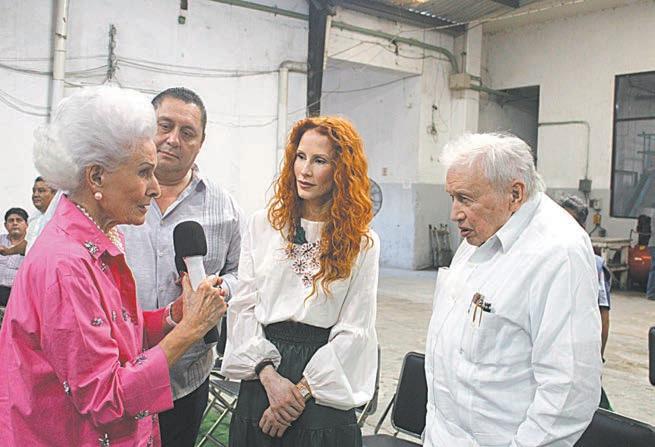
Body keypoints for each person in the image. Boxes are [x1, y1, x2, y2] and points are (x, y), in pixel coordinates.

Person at [0, 86, 227, 447]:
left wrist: (174, 316)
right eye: (144, 172)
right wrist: (190, 330)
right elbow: (107, 399)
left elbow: (117, 332)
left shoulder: (100, 237)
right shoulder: (66, 265)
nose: (155, 188)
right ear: (96, 177)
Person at [425, 133, 602, 446]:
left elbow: (569, 391)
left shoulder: (558, 253)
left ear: (515, 194)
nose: (454, 213)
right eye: (452, 197)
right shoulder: (479, 235)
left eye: (465, 198)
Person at [221, 116, 380, 446]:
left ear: (341, 171)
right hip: (263, 369)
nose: (304, 171)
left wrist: (300, 392)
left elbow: (355, 328)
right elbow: (244, 307)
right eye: (300, 157)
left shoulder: (362, 243)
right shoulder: (263, 225)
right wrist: (269, 378)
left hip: (324, 382)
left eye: (319, 161)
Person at [122, 87, 242, 447]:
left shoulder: (224, 207)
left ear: (201, 143)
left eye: (187, 132)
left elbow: (243, 274)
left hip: (185, 380)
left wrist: (220, 290)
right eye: (165, 126)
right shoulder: (114, 194)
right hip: (117, 375)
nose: (173, 139)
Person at [559, 194, 613, 410]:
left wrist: (597, 357)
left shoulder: (593, 264)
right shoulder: (542, 258)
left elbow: (603, 316)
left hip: (577, 352)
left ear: (581, 227)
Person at [25, 176, 62, 253]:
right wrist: (8, 250)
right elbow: (29, 244)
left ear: (54, 194)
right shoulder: (33, 219)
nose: (35, 195)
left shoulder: (60, 219)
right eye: (34, 191)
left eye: (41, 191)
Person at [0, 207, 28, 306]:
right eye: (11, 220)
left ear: (27, 224)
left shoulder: (32, 244)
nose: (15, 223)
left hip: (19, 295)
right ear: (5, 225)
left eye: (19, 220)